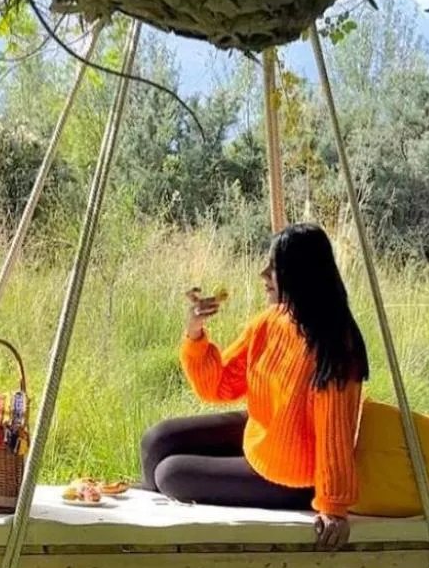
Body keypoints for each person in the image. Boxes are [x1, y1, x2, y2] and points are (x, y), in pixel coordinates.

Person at [139, 222, 368, 550]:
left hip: (292, 477)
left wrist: (333, 507)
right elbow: (217, 385)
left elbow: (336, 434)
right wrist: (195, 332)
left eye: (274, 267)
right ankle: (146, 529)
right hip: (265, 440)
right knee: (156, 440)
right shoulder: (271, 322)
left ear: (299, 274)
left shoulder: (333, 344)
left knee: (170, 474)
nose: (263, 275)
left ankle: (163, 546)